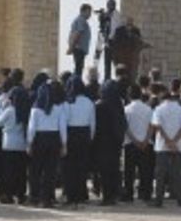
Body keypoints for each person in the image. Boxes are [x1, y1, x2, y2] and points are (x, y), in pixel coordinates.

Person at [27, 80, 67, 207]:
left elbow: (31, 128)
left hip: (39, 138)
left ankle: (34, 197)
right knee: (51, 171)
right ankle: (47, 198)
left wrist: (29, 143)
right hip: (54, 138)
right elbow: (62, 127)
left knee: (36, 170)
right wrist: (64, 143)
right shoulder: (58, 108)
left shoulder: (35, 109)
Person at [151, 84, 181, 207]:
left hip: (162, 145)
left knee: (161, 174)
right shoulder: (180, 109)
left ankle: (159, 200)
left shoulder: (159, 109)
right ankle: (180, 200)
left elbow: (157, 126)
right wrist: (174, 141)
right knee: (177, 174)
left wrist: (167, 140)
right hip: (177, 146)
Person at [93, 80, 128, 206]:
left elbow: (96, 126)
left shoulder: (100, 106)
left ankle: (107, 196)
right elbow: (123, 123)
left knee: (104, 170)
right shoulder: (118, 105)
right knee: (114, 168)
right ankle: (113, 194)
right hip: (115, 142)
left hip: (102, 142)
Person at [0, 85, 31, 204]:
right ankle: (21, 194)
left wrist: (3, 107)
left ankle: (8, 194)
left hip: (8, 143)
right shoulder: (26, 110)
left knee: (9, 171)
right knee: (21, 171)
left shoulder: (10, 110)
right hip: (21, 144)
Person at [63, 75, 96, 205]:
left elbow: (64, 122)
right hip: (84, 134)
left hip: (71, 134)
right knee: (82, 166)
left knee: (69, 166)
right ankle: (82, 193)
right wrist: (90, 137)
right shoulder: (89, 102)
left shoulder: (67, 102)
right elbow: (92, 122)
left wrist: (63, 140)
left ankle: (70, 193)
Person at [123, 86, 154, 202]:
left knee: (129, 172)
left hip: (131, 143)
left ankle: (128, 194)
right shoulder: (148, 109)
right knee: (145, 171)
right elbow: (152, 126)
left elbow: (125, 128)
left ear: (129, 95)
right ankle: (145, 193)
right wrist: (146, 140)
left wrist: (135, 140)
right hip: (146, 144)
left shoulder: (126, 110)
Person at [96, 0, 125, 82]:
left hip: (114, 42)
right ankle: (106, 79)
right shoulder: (107, 15)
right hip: (106, 42)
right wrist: (101, 18)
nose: (109, 6)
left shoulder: (117, 15)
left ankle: (119, 80)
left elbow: (114, 29)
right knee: (107, 63)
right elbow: (102, 27)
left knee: (116, 63)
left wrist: (109, 39)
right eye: (108, 5)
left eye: (111, 4)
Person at [68, 4, 93, 76]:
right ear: (83, 11)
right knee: (78, 68)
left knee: (79, 67)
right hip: (79, 48)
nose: (90, 14)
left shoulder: (81, 20)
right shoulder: (81, 20)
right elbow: (77, 34)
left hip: (80, 48)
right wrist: (71, 47)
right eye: (89, 12)